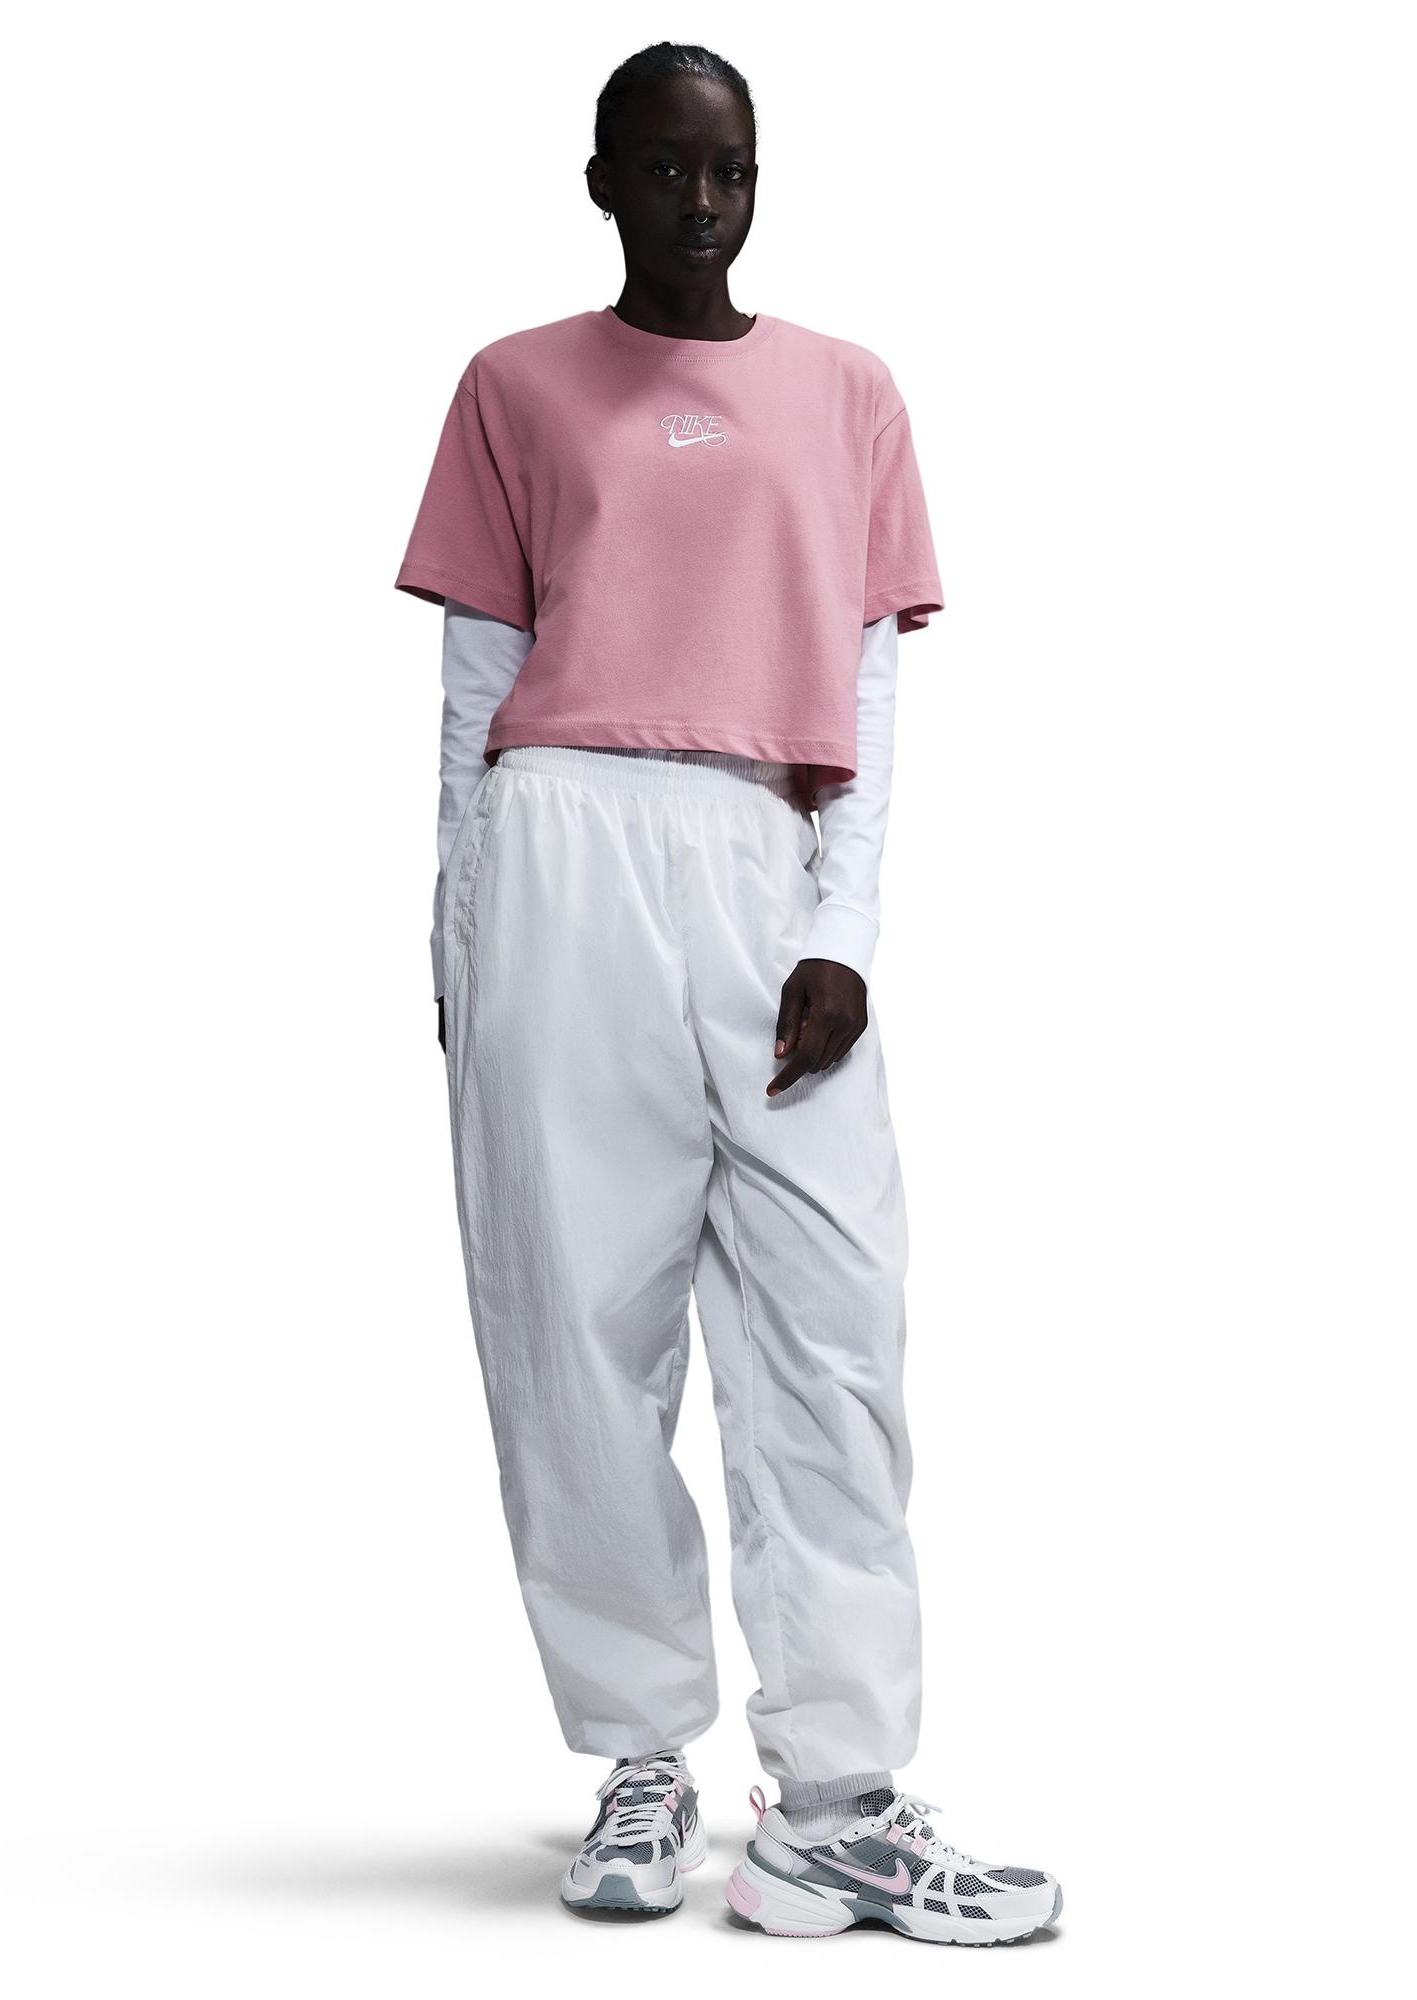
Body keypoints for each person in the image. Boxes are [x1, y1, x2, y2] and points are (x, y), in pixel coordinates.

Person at [394, 43, 1061, 1946]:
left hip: (761, 855)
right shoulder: (514, 385)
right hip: (559, 845)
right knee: (573, 1325)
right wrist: (459, 942)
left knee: (832, 1333)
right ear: (601, 180)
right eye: (668, 169)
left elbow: (867, 686)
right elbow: (473, 696)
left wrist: (841, 929)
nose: (703, 202)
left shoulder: (847, 392)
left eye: (732, 169)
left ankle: (834, 1804)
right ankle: (638, 1755)